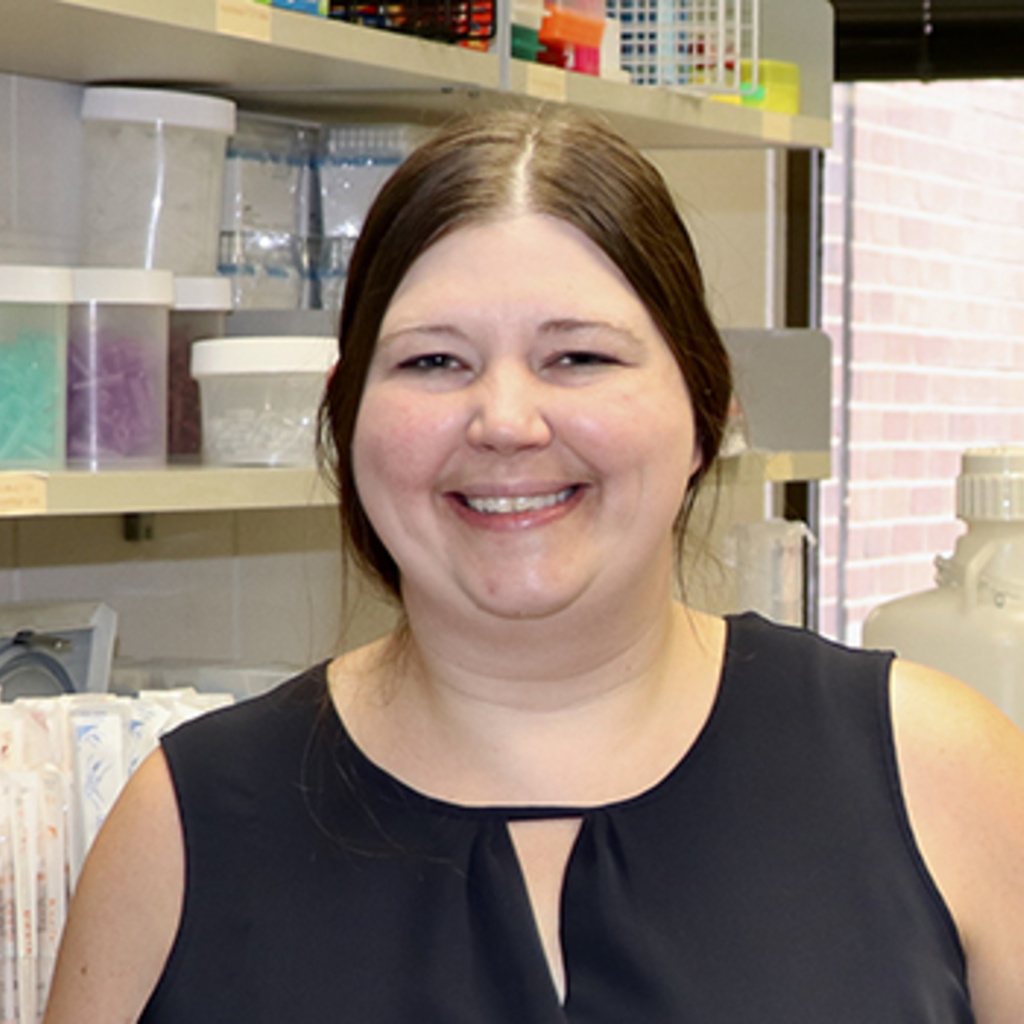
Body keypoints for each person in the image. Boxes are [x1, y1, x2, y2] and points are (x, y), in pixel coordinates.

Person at [44, 109, 1024, 1024]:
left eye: (579, 358)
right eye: (434, 362)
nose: (506, 422)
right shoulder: (182, 830)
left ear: (704, 405)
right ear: (346, 419)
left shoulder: (939, 778)